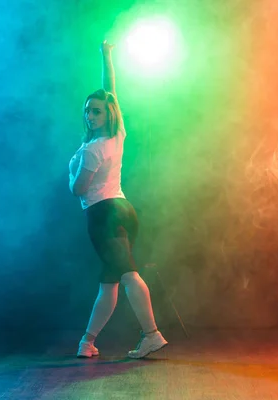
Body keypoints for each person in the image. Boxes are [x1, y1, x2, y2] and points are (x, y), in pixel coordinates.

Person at [68, 40, 168, 359]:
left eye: (95, 111)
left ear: (105, 113)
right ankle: (87, 341)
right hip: (123, 210)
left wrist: (70, 176)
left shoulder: (92, 149)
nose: (89, 114)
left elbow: (78, 190)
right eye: (86, 110)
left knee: (126, 276)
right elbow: (109, 90)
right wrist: (106, 56)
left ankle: (152, 334)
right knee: (109, 282)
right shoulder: (116, 135)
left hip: (103, 216)